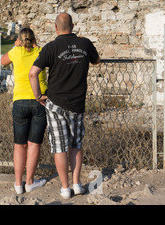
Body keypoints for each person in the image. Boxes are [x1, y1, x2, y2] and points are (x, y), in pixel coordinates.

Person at [29, 12, 100, 199]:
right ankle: (77, 184)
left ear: (55, 28)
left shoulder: (50, 48)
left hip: (55, 104)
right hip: (77, 102)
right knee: (76, 144)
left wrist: (38, 95)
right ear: (73, 26)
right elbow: (97, 61)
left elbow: (33, 73)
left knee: (60, 146)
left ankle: (65, 188)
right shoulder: (85, 43)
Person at [1, 27, 48, 194]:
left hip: (19, 101)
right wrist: (36, 46)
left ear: (20, 40)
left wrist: (16, 46)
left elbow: (2, 60)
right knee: (34, 144)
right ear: (34, 39)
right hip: (39, 100)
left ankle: (17, 184)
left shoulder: (16, 52)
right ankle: (29, 181)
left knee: (19, 145)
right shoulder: (41, 52)